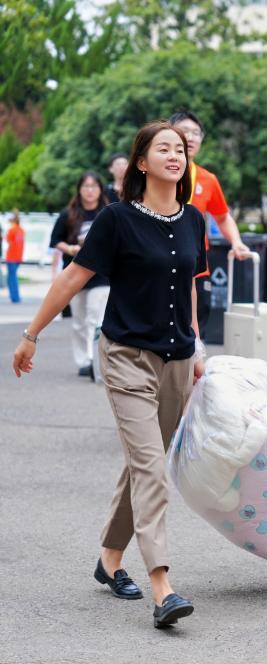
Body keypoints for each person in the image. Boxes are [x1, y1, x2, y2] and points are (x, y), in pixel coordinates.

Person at [13, 121, 207, 628]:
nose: (176, 155)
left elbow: (188, 285)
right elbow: (74, 276)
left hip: (177, 361)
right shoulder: (116, 219)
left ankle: (109, 560)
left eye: (180, 149)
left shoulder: (194, 219)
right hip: (126, 357)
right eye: (163, 148)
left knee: (142, 465)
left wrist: (197, 345)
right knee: (151, 469)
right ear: (141, 162)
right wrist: (32, 334)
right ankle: (163, 587)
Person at [168, 110, 251, 337]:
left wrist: (236, 242)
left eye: (196, 133)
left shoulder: (207, 179)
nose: (190, 137)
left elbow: (222, 217)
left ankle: (194, 358)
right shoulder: (155, 175)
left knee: (196, 325)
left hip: (196, 264)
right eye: (184, 131)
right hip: (161, 260)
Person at [49, 172, 111, 378]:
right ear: (79, 190)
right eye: (86, 186)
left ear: (100, 189)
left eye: (94, 186)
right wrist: (70, 249)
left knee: (95, 317)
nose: (90, 190)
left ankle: (94, 360)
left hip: (101, 275)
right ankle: (83, 361)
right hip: (75, 273)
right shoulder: (68, 214)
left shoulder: (108, 212)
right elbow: (55, 240)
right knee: (79, 321)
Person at [5, 211, 24, 303]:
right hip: (18, 257)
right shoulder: (21, 230)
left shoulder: (11, 230)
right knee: (13, 276)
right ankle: (15, 296)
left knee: (11, 278)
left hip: (11, 256)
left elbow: (8, 242)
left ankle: (15, 297)